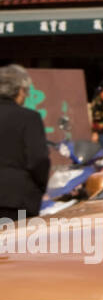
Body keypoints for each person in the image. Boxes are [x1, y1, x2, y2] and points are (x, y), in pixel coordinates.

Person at [0, 65, 50, 221]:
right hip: (17, 200)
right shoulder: (29, 118)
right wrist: (40, 187)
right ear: (20, 90)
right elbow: (38, 159)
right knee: (16, 244)